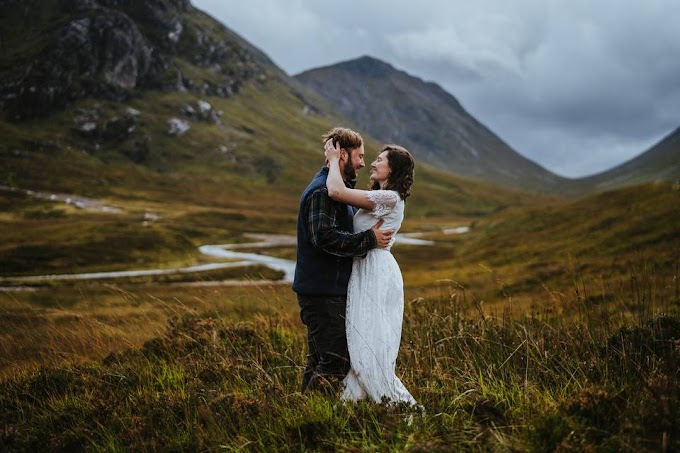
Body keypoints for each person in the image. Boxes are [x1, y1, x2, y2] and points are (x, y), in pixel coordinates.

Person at [293, 127, 395, 393]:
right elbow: (324, 238)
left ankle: (302, 416)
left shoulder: (337, 191)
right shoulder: (321, 193)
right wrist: (370, 241)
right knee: (337, 361)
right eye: (359, 155)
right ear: (342, 156)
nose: (363, 162)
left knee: (320, 360)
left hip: (327, 290)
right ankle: (310, 415)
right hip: (323, 293)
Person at [324, 138, 418, 406]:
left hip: (375, 269)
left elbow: (335, 192)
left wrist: (333, 160)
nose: (373, 163)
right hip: (369, 265)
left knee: (367, 340)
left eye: (380, 160)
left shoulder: (388, 197)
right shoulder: (385, 197)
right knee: (363, 339)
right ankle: (360, 403)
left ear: (393, 170)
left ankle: (392, 405)